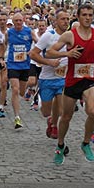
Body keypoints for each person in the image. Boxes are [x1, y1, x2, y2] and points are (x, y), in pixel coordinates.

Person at [47, 3, 94, 164]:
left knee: (93, 111)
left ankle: (85, 143)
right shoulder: (70, 35)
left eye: (90, 15)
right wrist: (67, 53)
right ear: (78, 16)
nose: (87, 18)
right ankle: (60, 144)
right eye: (84, 15)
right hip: (72, 81)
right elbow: (50, 52)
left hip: (89, 81)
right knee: (66, 117)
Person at [29, 9, 70, 140]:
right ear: (55, 21)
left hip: (63, 78)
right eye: (63, 19)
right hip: (47, 78)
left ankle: (55, 126)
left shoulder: (71, 36)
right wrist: (49, 62)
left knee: (63, 108)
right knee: (46, 111)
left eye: (68, 19)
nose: (66, 22)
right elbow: (33, 54)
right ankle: (51, 119)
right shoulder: (48, 36)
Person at [6, 12, 37, 129]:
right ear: (13, 22)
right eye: (16, 21)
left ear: (23, 20)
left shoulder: (29, 32)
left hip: (25, 66)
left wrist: (34, 52)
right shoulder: (9, 33)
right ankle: (17, 117)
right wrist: (1, 57)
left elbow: (38, 42)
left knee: (21, 92)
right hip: (13, 65)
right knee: (15, 89)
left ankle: (27, 92)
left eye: (20, 20)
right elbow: (3, 45)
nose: (18, 23)